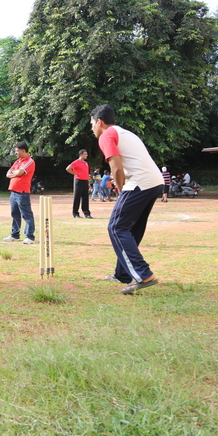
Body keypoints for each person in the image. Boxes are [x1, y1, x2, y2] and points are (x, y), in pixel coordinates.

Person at [91, 104, 162, 294]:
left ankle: (143, 274)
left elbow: (116, 167)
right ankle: (122, 274)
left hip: (139, 182)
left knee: (116, 227)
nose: (92, 129)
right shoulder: (125, 133)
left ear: (99, 122)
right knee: (131, 229)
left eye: (92, 124)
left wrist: (122, 191)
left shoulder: (106, 135)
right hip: (154, 181)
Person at [3, 142, 36, 245]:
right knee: (15, 213)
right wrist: (16, 173)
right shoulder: (18, 161)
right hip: (13, 191)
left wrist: (15, 173)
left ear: (23, 150)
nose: (15, 153)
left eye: (17, 151)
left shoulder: (29, 161)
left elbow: (20, 172)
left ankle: (29, 236)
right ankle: (15, 234)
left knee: (26, 214)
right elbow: (8, 174)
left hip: (22, 192)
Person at [66, 149, 92, 218]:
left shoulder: (86, 163)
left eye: (86, 154)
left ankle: (87, 213)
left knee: (85, 197)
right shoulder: (76, 162)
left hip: (85, 181)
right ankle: (75, 213)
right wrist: (75, 174)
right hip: (79, 181)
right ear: (81, 155)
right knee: (77, 197)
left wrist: (88, 182)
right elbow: (68, 168)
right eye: (85, 154)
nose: (86, 155)